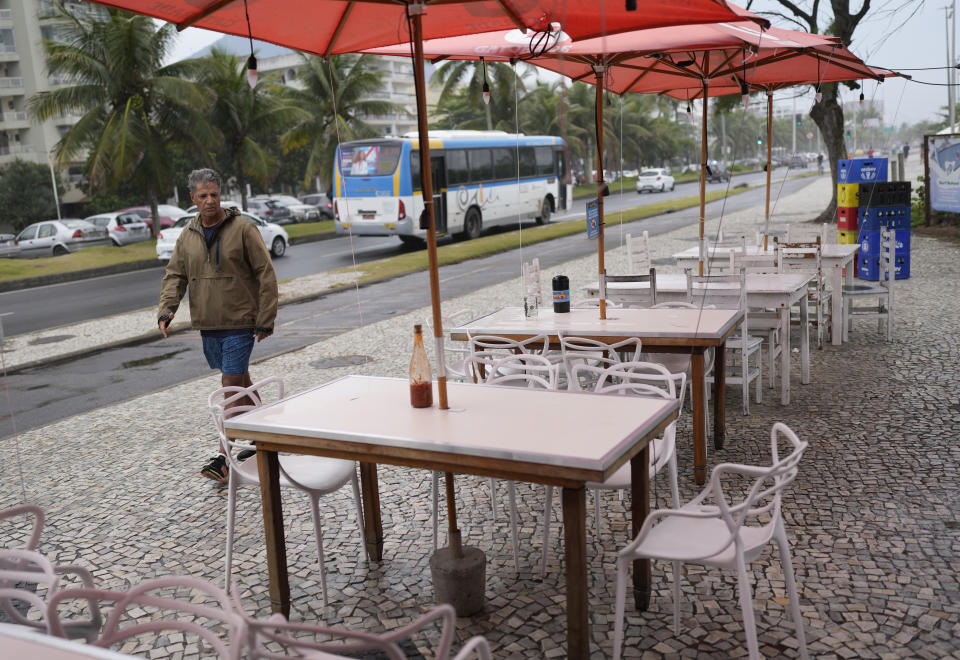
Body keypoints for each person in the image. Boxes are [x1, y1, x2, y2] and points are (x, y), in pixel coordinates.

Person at [157, 168, 279, 482]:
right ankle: (263, 437)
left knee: (229, 386)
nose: (210, 201)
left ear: (220, 194)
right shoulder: (187, 235)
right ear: (192, 199)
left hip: (241, 322)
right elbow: (175, 276)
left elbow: (266, 274)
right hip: (209, 324)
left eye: (214, 194)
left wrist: (265, 319)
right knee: (241, 383)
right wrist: (167, 309)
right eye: (203, 196)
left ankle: (223, 459)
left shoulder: (243, 228)